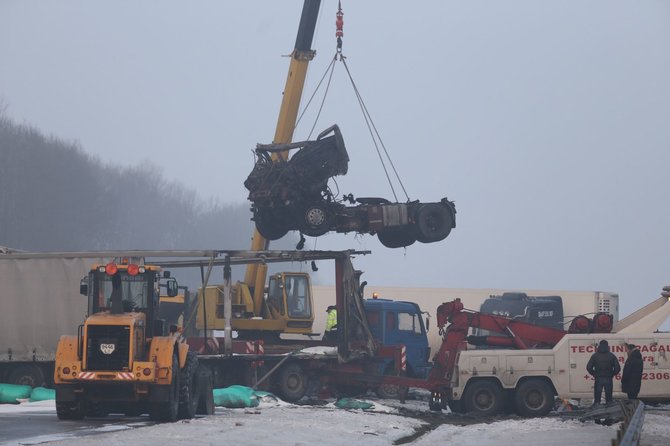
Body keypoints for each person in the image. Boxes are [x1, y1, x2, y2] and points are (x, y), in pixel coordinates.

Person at [586, 340, 621, 406]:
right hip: (608, 378)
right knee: (609, 396)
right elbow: (617, 368)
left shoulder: (595, 356)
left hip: (598, 378)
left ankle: (596, 406)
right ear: (607, 346)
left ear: (599, 346)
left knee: (597, 394)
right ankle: (609, 407)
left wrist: (594, 374)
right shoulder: (612, 356)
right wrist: (612, 374)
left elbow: (589, 367)